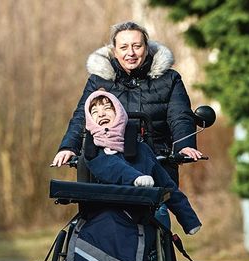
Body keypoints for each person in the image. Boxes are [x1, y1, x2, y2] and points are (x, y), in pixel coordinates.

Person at [49, 21, 203, 184]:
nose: (131, 53)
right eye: (124, 47)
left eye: (137, 46)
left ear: (147, 48)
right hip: (109, 165)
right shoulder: (98, 81)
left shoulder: (170, 79)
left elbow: (180, 117)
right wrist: (68, 147)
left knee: (161, 207)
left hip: (156, 164)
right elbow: (82, 117)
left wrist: (184, 146)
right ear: (114, 51)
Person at [82, 89, 201, 235]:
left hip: (142, 216)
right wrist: (135, 178)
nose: (101, 114)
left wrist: (189, 219)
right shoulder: (93, 152)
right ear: (90, 120)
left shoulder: (142, 150)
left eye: (107, 108)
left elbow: (166, 185)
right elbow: (110, 167)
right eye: (94, 111)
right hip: (107, 216)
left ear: (118, 112)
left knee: (160, 212)